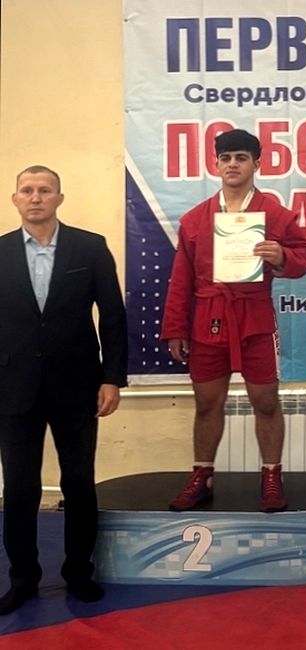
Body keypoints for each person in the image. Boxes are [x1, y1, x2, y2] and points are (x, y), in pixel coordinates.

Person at [161, 129, 306, 513]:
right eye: (226, 158)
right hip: (208, 318)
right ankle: (202, 475)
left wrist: (282, 256)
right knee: (206, 402)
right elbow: (181, 278)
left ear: (256, 164)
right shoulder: (195, 219)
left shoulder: (275, 214)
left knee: (265, 401)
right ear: (216, 164)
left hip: (255, 318)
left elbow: (305, 256)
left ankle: (271, 476)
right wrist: (176, 328)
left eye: (241, 157)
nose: (233, 164)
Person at [0, 166, 127, 613]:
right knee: (19, 488)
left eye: (45, 190)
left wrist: (111, 378)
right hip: (13, 388)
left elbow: (112, 316)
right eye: (27, 190)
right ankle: (22, 579)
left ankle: (78, 573)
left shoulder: (89, 248)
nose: (36, 197)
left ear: (59, 198)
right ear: (16, 199)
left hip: (78, 386)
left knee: (78, 483)